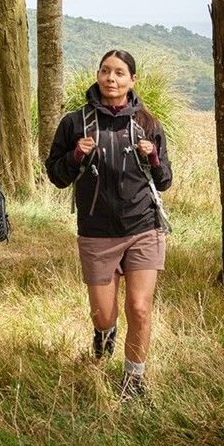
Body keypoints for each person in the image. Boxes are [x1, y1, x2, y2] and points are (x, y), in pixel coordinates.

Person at [45, 50, 172, 400]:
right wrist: (75, 156)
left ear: (132, 80)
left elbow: (164, 181)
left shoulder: (148, 123)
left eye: (119, 73)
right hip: (97, 232)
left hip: (143, 227)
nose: (111, 79)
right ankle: (104, 336)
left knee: (140, 307)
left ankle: (134, 381)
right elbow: (55, 174)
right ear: (98, 76)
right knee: (103, 314)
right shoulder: (75, 123)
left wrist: (154, 158)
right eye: (105, 71)